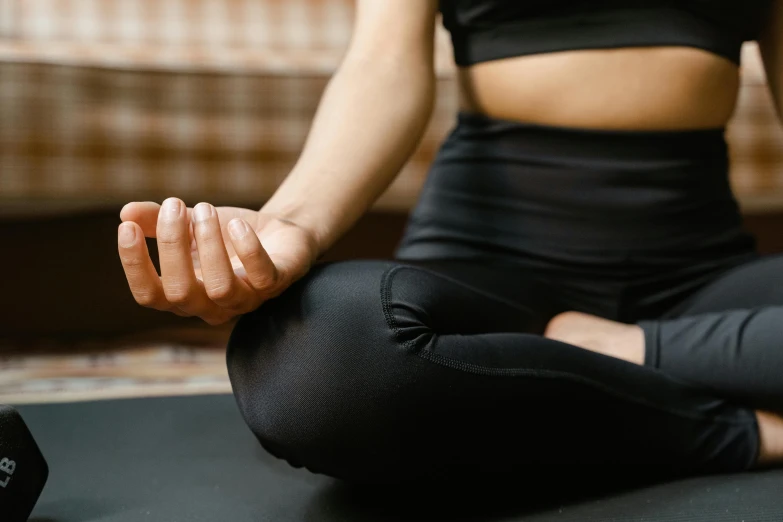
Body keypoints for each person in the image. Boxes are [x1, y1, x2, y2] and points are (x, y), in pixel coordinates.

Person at [117, 1, 783, 485]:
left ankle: (606, 353)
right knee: (320, 361)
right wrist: (293, 221)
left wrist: (630, 342)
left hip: (702, 279)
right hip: (491, 276)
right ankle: (739, 430)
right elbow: (380, 65)